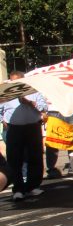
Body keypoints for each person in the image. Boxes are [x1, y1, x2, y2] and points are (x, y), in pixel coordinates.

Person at [1, 70, 47, 202]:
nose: (14, 83)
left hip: (32, 127)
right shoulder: (7, 93)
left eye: (17, 81)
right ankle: (18, 189)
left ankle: (33, 186)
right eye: (12, 81)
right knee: (14, 159)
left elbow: (44, 108)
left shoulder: (33, 91)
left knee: (35, 157)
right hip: (14, 129)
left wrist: (29, 103)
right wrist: (3, 121)